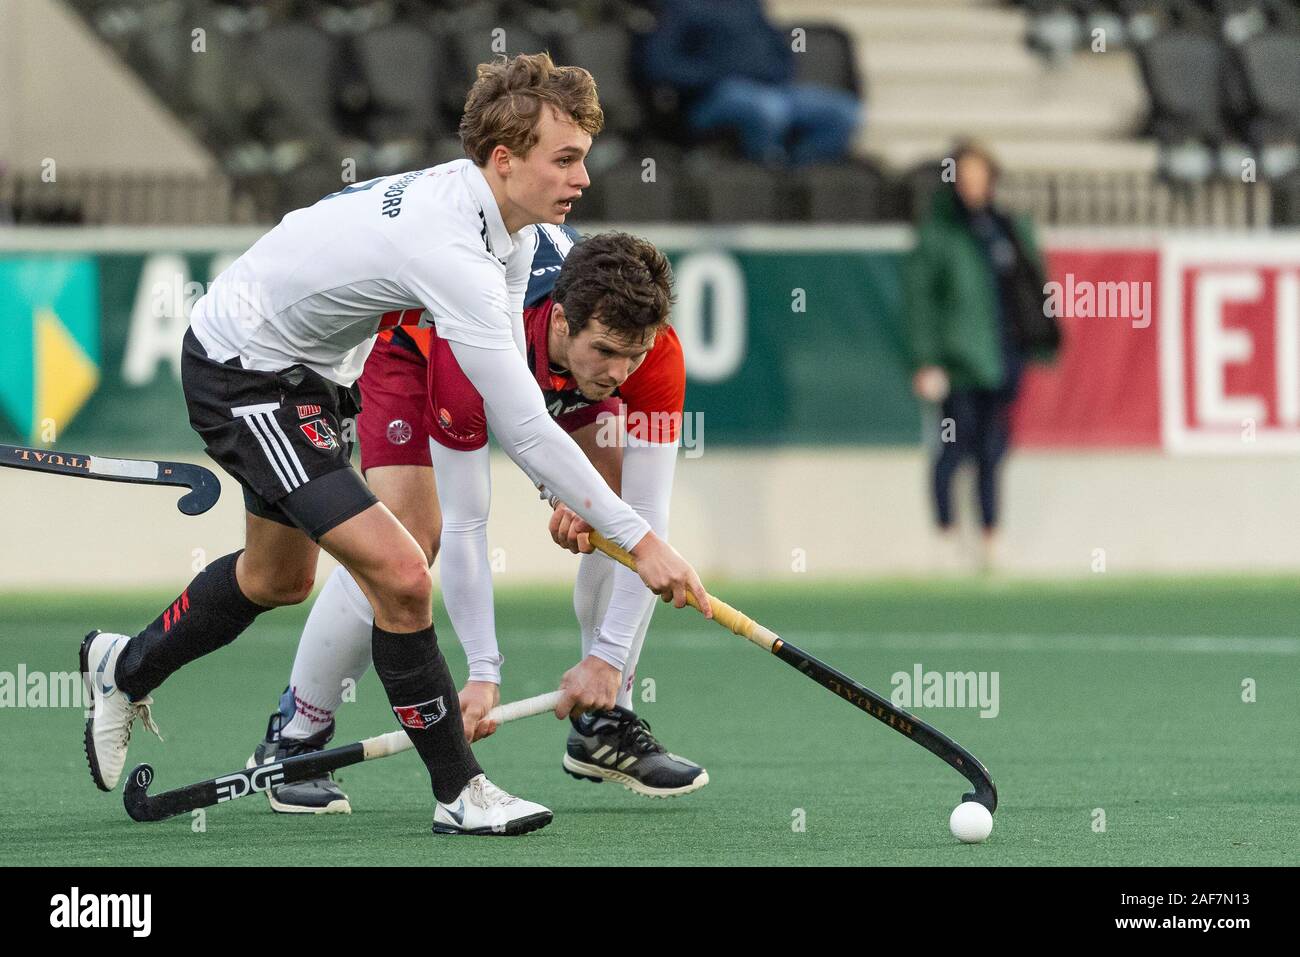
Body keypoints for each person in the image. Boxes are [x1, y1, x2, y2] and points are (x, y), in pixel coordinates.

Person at [79, 52, 711, 838]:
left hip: (315, 375)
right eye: (567, 158)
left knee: (276, 578)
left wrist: (567, 494)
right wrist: (641, 541)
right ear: (505, 160)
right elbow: (522, 424)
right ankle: (460, 791)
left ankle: (122, 665)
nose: (583, 177)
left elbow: (509, 388)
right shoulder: (450, 246)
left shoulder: (511, 235)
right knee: (404, 569)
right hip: (247, 369)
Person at [249, 228, 705, 814]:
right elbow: (469, 521)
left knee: (613, 506)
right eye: (608, 352)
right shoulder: (479, 334)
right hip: (421, 351)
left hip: (547, 369)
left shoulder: (650, 352)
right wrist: (483, 672)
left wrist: (609, 659)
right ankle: (296, 735)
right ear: (563, 322)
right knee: (405, 540)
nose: (622, 371)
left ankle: (604, 721)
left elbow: (645, 518)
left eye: (633, 355)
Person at [905, 140, 1057, 570]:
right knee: (952, 448)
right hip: (959, 363)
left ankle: (990, 536)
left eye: (980, 175)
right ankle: (943, 537)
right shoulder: (939, 233)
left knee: (993, 450)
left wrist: (1040, 337)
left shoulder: (1006, 228)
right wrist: (925, 359)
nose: (973, 185)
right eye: (964, 176)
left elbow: (1029, 287)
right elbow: (921, 300)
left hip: (1002, 357)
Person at [639, 0, 861, 167]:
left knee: (842, 112)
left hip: (773, 89)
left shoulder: (749, 5)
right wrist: (715, 75)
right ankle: (765, 171)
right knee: (767, 108)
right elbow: (659, 66)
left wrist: (773, 72)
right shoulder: (681, 8)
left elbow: (781, 51)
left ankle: (796, 173)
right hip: (711, 98)